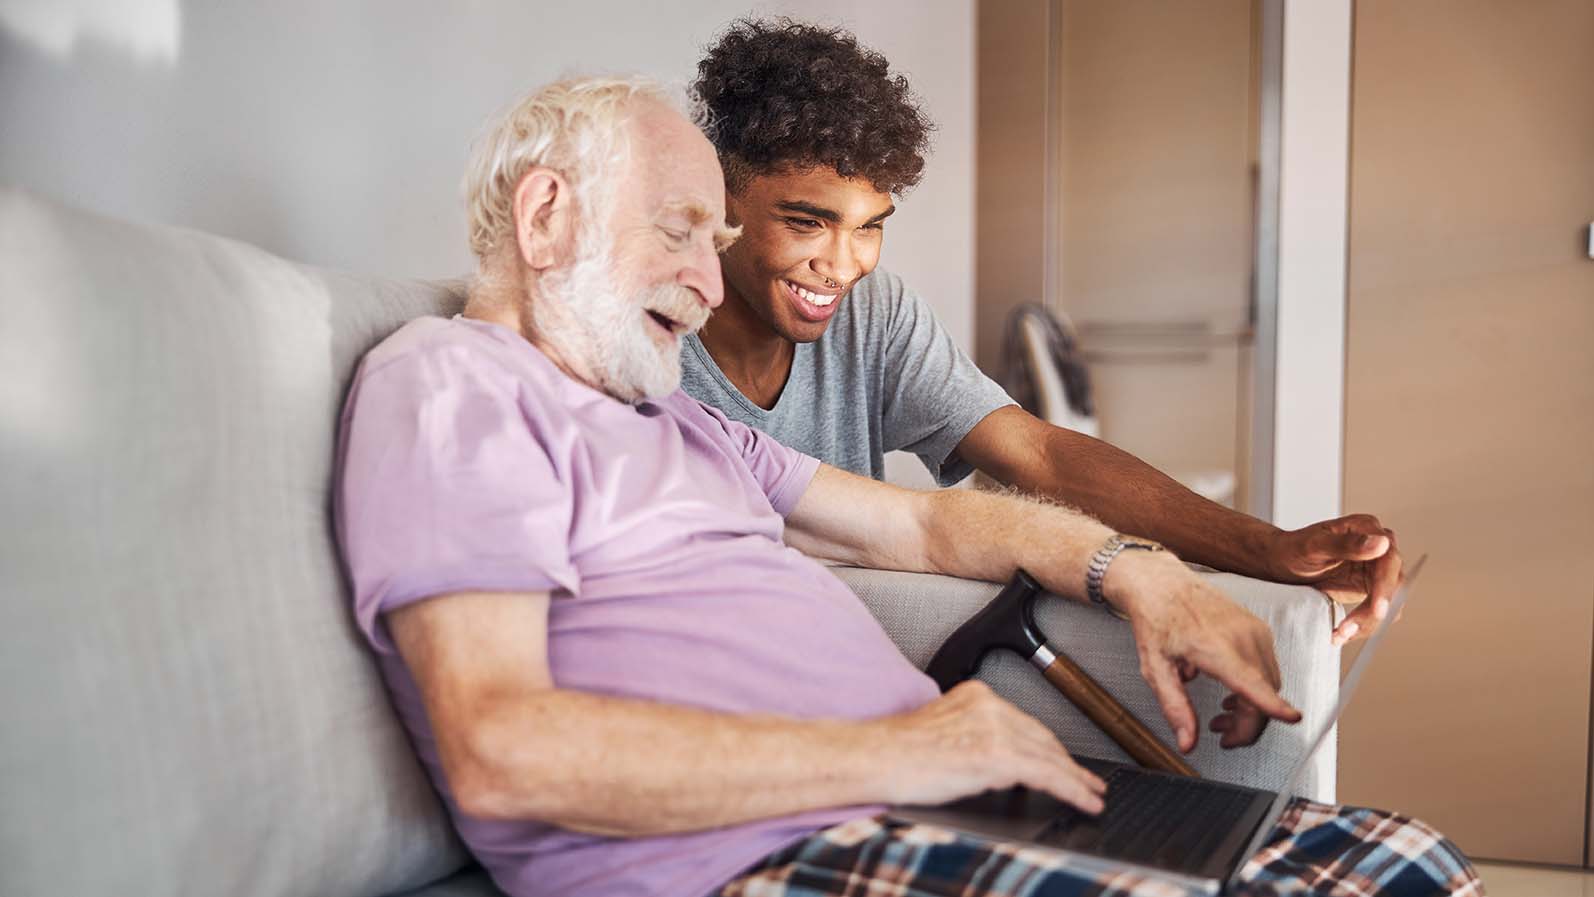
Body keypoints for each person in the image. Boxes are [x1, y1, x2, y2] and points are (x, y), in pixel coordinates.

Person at [334, 76, 1479, 897]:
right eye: (681, 233)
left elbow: (928, 524)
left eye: (711, 236)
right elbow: (500, 754)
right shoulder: (455, 388)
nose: (701, 279)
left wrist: (1139, 568)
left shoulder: (669, 420)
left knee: (1403, 859)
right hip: (775, 848)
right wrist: (908, 754)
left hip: (927, 801)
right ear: (546, 219)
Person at [685, 19, 1398, 650]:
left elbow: (1037, 452)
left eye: (870, 226)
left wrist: (1267, 549)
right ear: (719, 195)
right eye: (808, 222)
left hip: (843, 664)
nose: (844, 266)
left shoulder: (875, 314)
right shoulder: (641, 347)